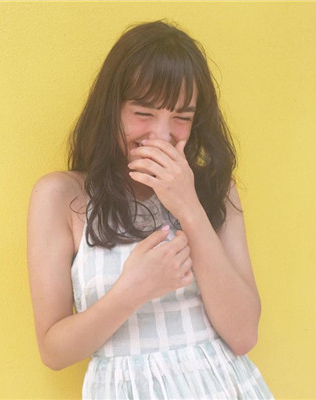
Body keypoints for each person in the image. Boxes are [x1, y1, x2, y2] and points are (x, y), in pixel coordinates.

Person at [27, 20, 274, 399]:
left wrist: (189, 207)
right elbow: (54, 352)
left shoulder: (215, 190)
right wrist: (133, 290)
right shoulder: (61, 196)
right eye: (143, 113)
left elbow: (244, 335)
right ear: (111, 110)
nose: (161, 134)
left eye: (182, 118)